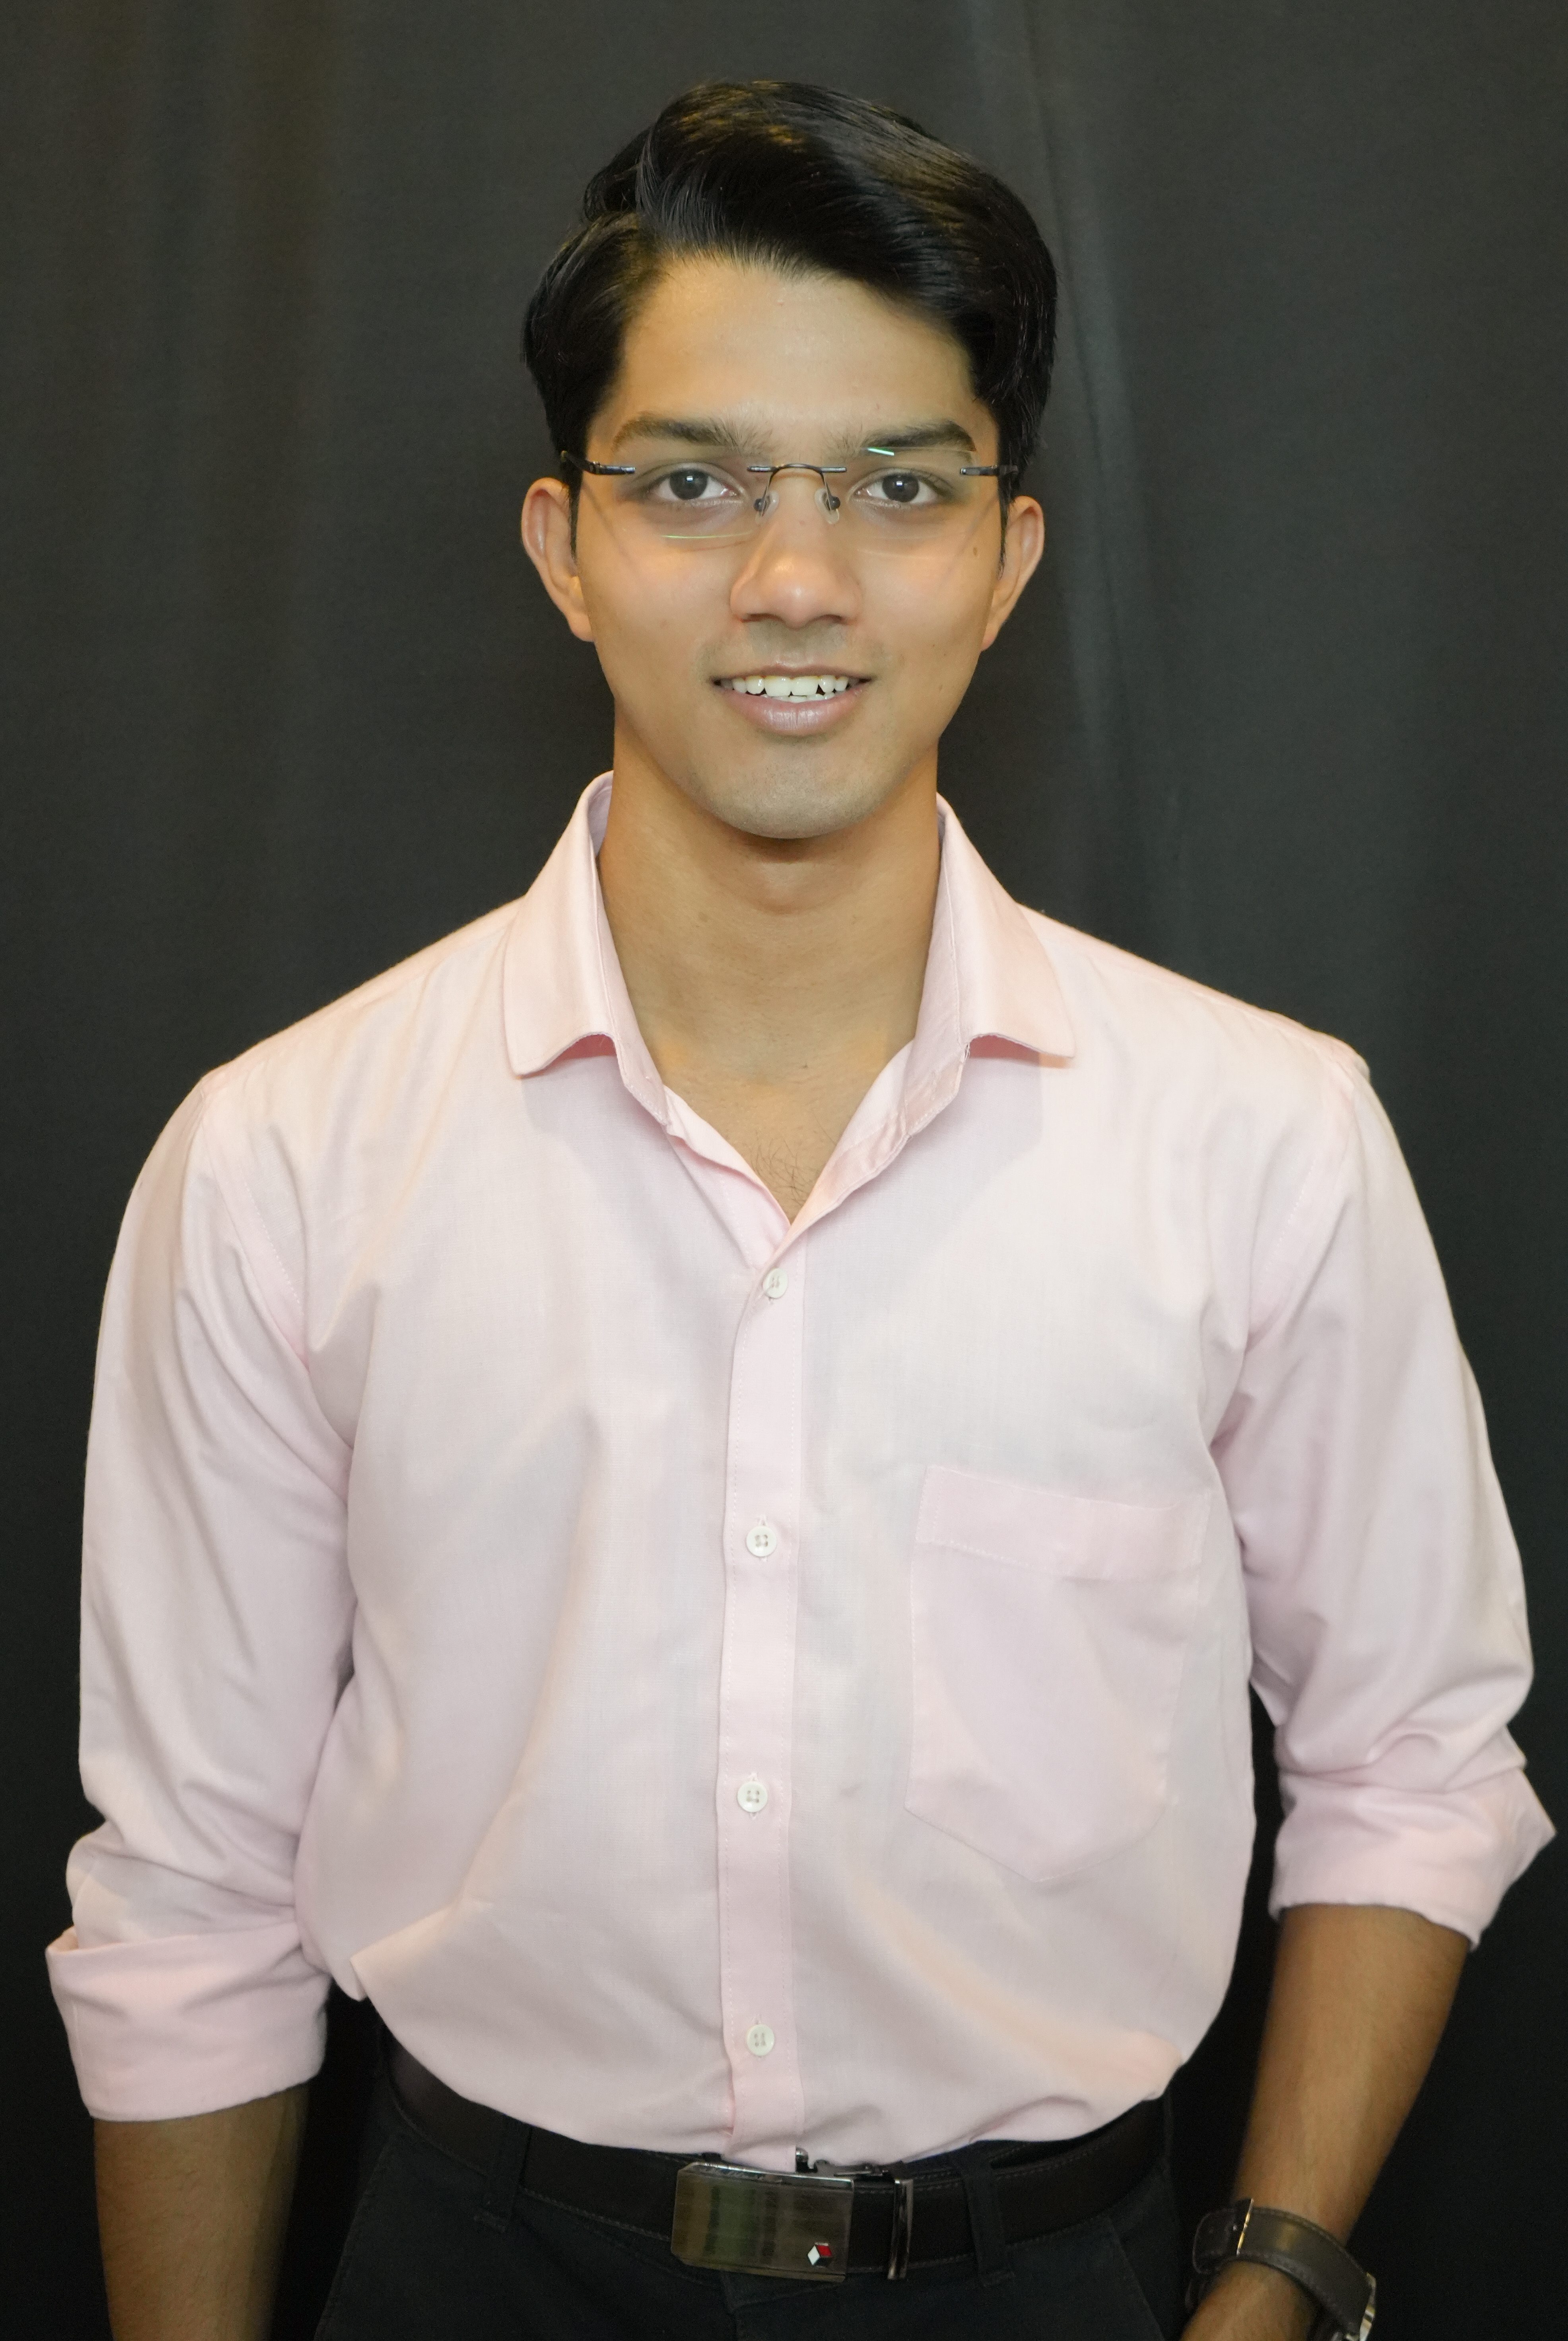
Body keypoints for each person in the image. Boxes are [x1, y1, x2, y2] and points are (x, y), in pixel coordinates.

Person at [50, 80, 1551, 2341]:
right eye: (693, 482)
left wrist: (1276, 2289)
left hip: (1052, 2279)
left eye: (895, 486)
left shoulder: (1261, 1135)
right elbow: (186, 1892)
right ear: (562, 546)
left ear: (1008, 557)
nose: (794, 578)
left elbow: (1411, 1757)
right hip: (474, 2268)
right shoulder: (282, 1157)